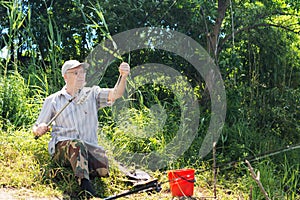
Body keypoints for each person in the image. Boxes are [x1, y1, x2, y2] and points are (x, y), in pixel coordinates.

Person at [32, 59, 130, 197]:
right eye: (76, 72)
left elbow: (116, 94)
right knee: (76, 144)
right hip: (63, 149)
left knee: (102, 165)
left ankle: (85, 169)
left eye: (83, 72)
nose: (81, 75)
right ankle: (85, 188)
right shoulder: (53, 100)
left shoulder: (92, 94)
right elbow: (37, 126)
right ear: (65, 76)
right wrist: (39, 128)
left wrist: (123, 76)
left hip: (89, 148)